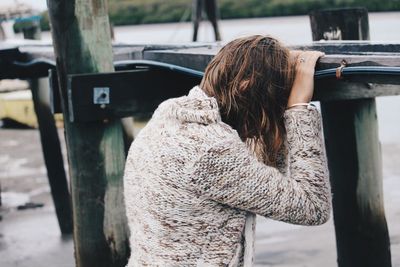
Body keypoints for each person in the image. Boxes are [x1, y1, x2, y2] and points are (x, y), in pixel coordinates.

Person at [123, 35, 331, 266]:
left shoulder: (168, 118)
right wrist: (298, 107)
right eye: (276, 98)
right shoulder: (211, 151)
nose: (277, 107)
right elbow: (313, 208)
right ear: (247, 87)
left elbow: (270, 185)